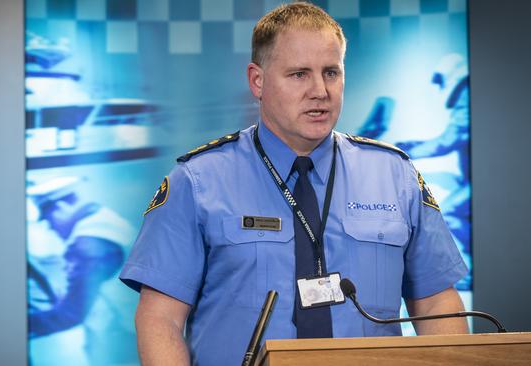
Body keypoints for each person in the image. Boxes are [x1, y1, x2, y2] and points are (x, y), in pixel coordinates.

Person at [119, 3, 468, 365]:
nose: (320, 90)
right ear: (257, 80)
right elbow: (160, 318)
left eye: (331, 72)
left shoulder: (396, 176)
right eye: (300, 74)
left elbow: (436, 302)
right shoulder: (198, 181)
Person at [27, 176, 135, 365]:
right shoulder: (107, 220)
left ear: (60, 207)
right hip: (132, 335)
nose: (51, 228)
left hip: (124, 345)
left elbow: (71, 313)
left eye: (48, 220)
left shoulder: (88, 244)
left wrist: (16, 325)